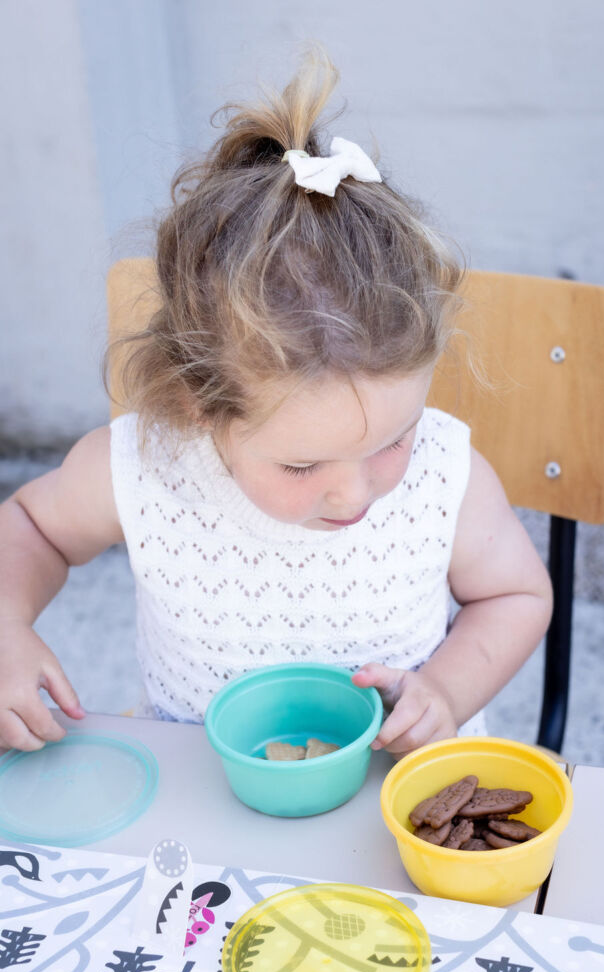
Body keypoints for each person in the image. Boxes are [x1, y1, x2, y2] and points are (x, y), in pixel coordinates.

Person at [0, 50, 552, 757]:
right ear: (198, 404)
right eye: (300, 466)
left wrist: (442, 690)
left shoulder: (446, 473)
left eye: (391, 439)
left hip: (390, 793)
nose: (357, 491)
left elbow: (514, 597)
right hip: (202, 796)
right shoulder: (140, 468)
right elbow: (30, 529)